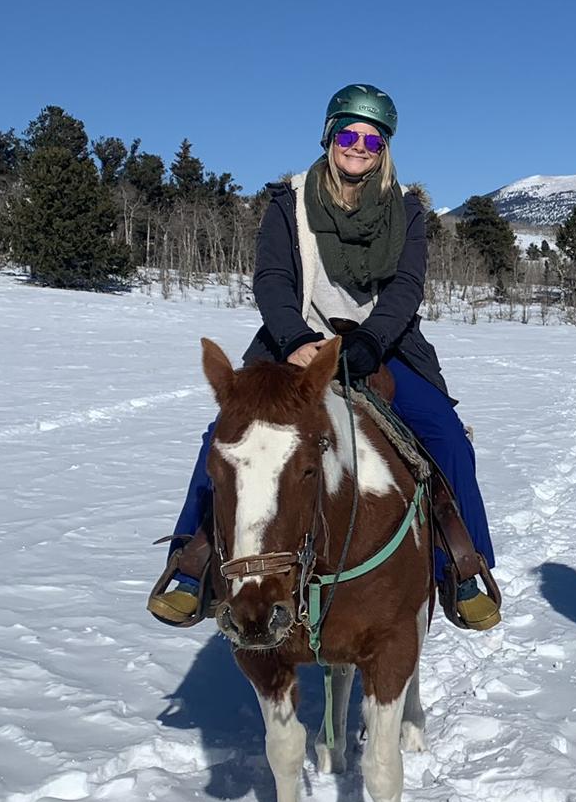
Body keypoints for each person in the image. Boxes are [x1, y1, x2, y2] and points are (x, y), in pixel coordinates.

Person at [148, 83, 499, 629]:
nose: (358, 145)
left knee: (446, 438)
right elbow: (271, 278)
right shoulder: (288, 201)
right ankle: (194, 566)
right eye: (348, 132)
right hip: (294, 342)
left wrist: (369, 342)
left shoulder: (408, 211)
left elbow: (407, 287)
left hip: (383, 344)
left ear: (385, 148)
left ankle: (462, 567)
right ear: (329, 135)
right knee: (226, 437)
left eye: (372, 137)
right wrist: (294, 340)